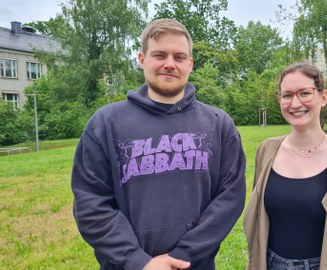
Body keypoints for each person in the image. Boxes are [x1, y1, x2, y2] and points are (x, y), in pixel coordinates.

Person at [71, 18, 246, 270]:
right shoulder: (106, 124)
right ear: (142, 59)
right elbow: (91, 203)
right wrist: (138, 261)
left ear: (190, 63)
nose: (169, 64)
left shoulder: (219, 125)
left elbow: (230, 198)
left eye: (179, 57)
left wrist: (185, 254)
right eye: (159, 55)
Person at [243, 62, 327, 270]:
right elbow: (259, 224)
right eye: (287, 95)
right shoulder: (266, 150)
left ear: (323, 97)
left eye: (304, 93)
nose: (295, 103)